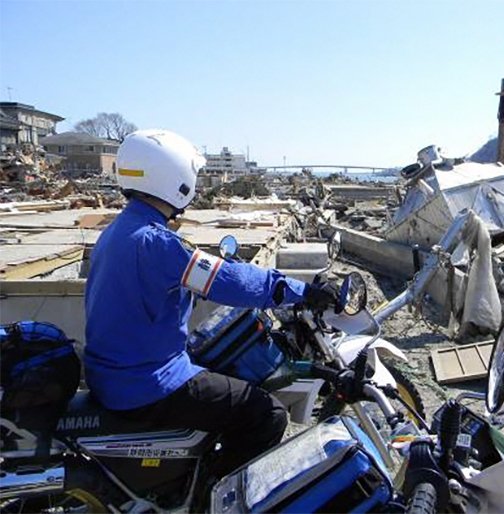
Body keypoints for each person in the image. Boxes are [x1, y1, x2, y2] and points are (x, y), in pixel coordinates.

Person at [84, 129, 337, 472]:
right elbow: (228, 282)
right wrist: (301, 290)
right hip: (146, 382)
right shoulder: (156, 243)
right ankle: (218, 497)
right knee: (266, 414)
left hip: (113, 373)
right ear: (175, 177)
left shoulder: (118, 231)